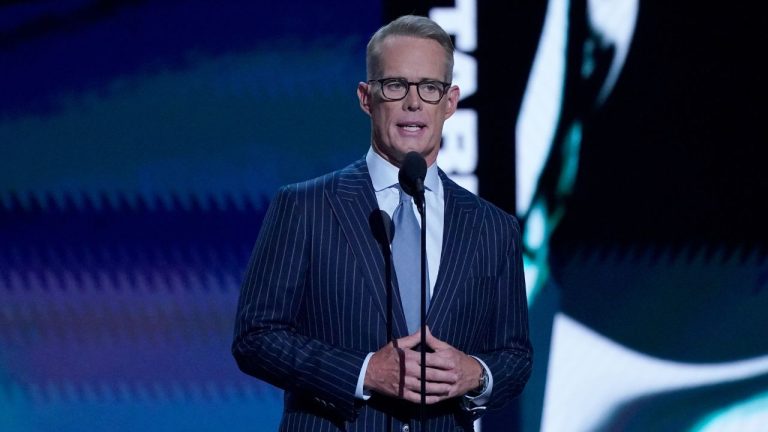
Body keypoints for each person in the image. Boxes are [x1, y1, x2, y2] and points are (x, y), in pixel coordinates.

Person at [232, 15, 532, 431]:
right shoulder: (305, 207)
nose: (413, 103)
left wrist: (476, 374)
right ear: (366, 97)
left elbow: (514, 355)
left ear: (450, 102)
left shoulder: (493, 228)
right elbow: (255, 337)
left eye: (430, 87)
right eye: (396, 85)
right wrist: (364, 372)